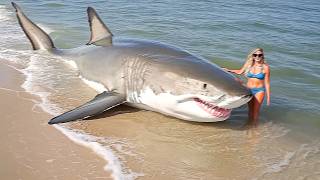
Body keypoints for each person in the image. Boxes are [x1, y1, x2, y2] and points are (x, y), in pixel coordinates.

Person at [223, 48, 270, 125]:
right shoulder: (249, 64)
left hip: (259, 91)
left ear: (262, 56)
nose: (257, 57)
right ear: (253, 56)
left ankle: (254, 129)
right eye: (255, 55)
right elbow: (240, 71)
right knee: (250, 111)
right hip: (249, 90)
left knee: (255, 112)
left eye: (259, 55)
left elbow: (267, 83)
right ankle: (249, 125)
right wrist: (229, 70)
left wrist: (268, 97)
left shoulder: (265, 67)